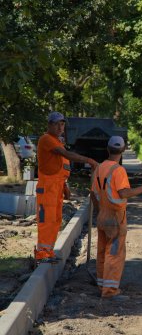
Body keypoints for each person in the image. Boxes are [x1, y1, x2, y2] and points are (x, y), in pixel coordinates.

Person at [91, 136, 142, 300]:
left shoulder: (99, 168)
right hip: (116, 219)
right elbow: (124, 193)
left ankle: (102, 284)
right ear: (123, 150)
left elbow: (93, 193)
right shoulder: (118, 170)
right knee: (114, 254)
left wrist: (99, 211)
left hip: (103, 217)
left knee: (103, 252)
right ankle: (109, 291)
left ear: (108, 149)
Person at [35, 112, 98, 264]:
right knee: (47, 220)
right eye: (56, 124)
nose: (60, 127)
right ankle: (42, 254)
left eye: (62, 124)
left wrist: (65, 186)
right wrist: (88, 160)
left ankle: (48, 252)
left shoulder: (57, 142)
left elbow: (59, 168)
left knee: (55, 220)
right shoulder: (47, 140)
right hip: (47, 188)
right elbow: (66, 155)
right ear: (49, 125)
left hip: (56, 188)